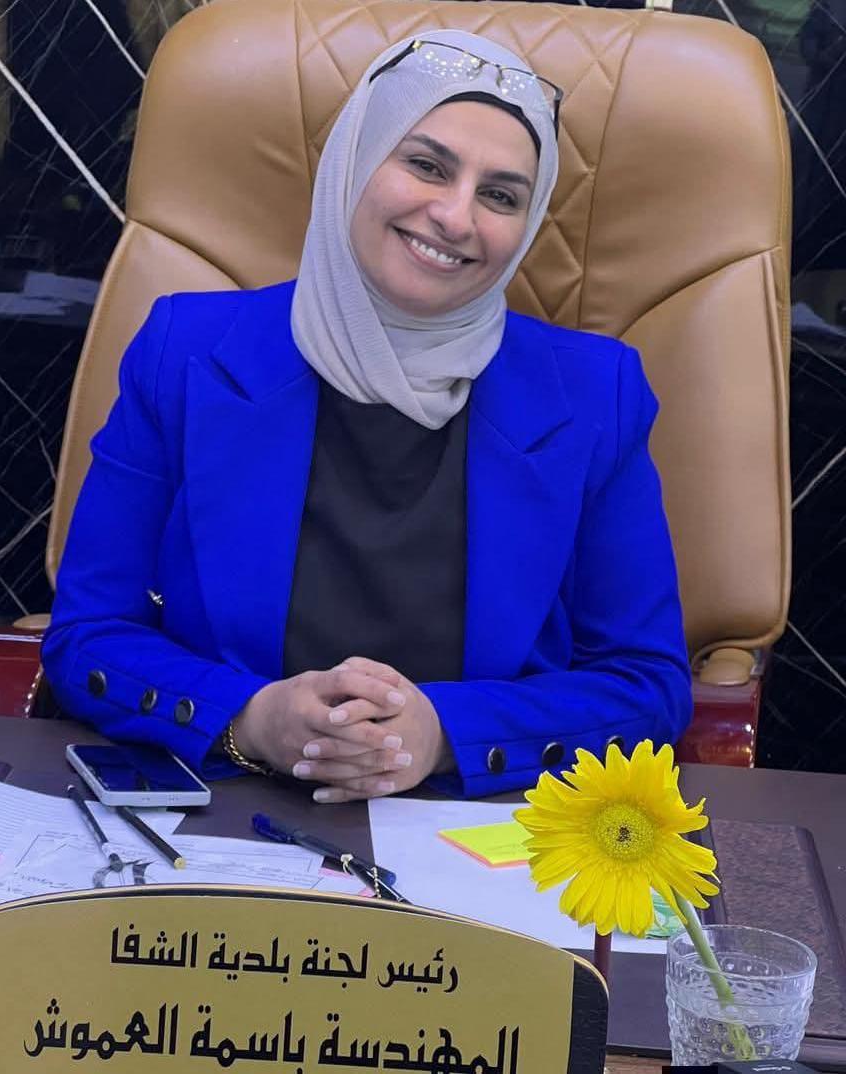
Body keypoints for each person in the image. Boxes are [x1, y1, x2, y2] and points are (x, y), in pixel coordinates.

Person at [42, 30, 692, 801]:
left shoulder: (596, 394)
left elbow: (646, 683)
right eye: (426, 165)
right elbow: (88, 634)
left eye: (501, 195)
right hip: (227, 810)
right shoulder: (182, 351)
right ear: (355, 159)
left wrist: (444, 735)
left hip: (479, 830)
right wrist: (251, 717)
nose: (455, 216)